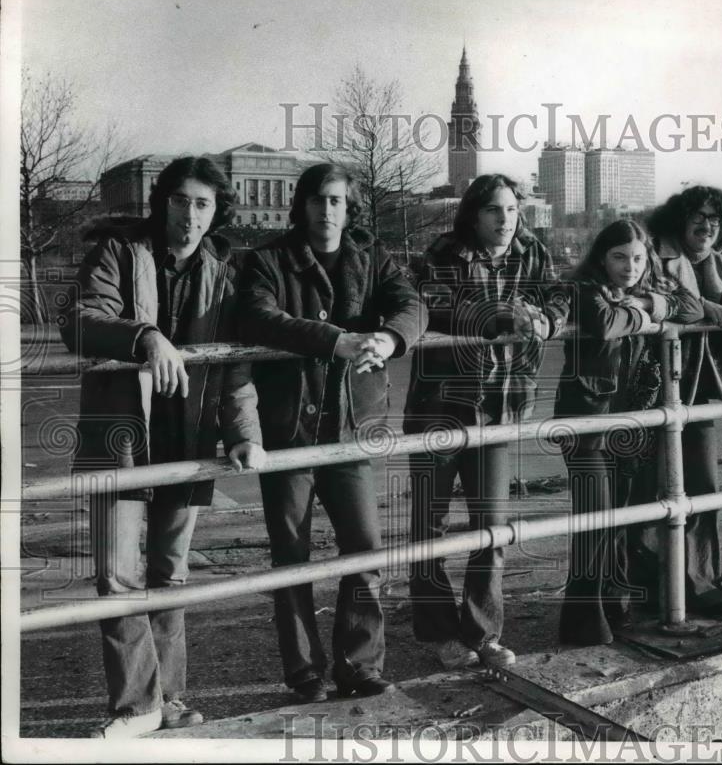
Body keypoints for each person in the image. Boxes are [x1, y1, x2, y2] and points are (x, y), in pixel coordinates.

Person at [60, 155, 265, 739]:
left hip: (187, 436)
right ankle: (135, 704)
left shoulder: (225, 271)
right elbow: (77, 320)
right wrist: (144, 335)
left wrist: (243, 433)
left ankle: (169, 698)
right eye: (181, 201)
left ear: (216, 211)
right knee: (115, 575)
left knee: (169, 574)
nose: (190, 215)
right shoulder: (119, 252)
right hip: (121, 436)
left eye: (203, 204)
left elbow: (234, 366)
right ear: (162, 202)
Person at [238, 163, 424, 701]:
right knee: (290, 554)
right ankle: (304, 671)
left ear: (350, 207)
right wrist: (332, 339)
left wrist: (390, 338)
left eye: (338, 201)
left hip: (351, 427)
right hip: (289, 427)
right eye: (318, 200)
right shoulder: (268, 259)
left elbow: (412, 304)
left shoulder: (372, 257)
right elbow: (255, 317)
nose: (327, 210)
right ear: (301, 205)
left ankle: (360, 664)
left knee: (364, 548)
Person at [404, 173, 568, 669]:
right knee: (428, 522)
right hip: (441, 403)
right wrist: (499, 316)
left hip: (501, 404)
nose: (505, 221)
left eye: (513, 210)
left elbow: (561, 296)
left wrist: (545, 320)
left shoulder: (532, 252)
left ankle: (483, 632)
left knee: (491, 525)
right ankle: (434, 627)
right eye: (495, 211)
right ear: (474, 214)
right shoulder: (444, 252)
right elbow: (433, 307)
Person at [553, 219, 704, 645]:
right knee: (594, 520)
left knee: (619, 517)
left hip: (629, 422)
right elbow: (604, 324)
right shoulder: (584, 287)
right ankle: (582, 622)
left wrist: (653, 300)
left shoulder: (647, 284)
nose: (629, 266)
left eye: (638, 258)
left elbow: (693, 308)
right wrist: (646, 312)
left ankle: (614, 605)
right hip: (585, 420)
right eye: (619, 257)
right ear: (602, 257)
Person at [643, 186, 722, 617]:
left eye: (715, 218)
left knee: (701, 487)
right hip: (648, 392)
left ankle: (701, 583)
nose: (707, 225)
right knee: (642, 495)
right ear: (679, 220)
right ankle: (645, 588)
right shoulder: (653, 253)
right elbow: (647, 294)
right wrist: (702, 308)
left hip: (696, 394)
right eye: (698, 216)